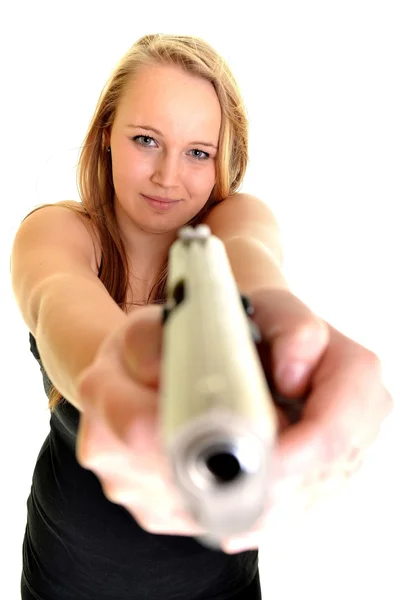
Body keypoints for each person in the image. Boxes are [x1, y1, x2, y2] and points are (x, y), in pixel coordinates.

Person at [10, 33, 392, 600]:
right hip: (66, 575)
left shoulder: (235, 219)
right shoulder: (57, 231)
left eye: (198, 152)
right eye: (146, 140)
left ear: (222, 158)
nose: (169, 176)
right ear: (107, 136)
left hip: (216, 585)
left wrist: (286, 329)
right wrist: (118, 376)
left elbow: (254, 269)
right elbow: (60, 303)